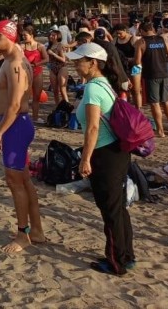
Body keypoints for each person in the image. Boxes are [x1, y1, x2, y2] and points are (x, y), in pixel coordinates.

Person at [67, 41, 136, 275]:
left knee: (110, 210)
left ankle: (116, 261)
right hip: (117, 151)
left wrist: (85, 159)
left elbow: (93, 128)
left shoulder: (93, 88)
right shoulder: (105, 84)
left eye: (79, 61)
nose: (76, 65)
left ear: (93, 63)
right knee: (118, 208)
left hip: (105, 154)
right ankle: (126, 255)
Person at [0, 21, 45, 254]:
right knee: (25, 179)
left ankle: (23, 234)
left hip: (15, 126)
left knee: (14, 181)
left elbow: (15, 105)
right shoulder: (13, 60)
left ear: (9, 36)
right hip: (16, 125)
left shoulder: (16, 64)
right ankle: (36, 230)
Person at [133, 20, 168, 137]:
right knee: (166, 101)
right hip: (163, 73)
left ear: (141, 30)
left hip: (150, 75)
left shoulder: (141, 42)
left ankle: (160, 130)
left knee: (155, 103)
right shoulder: (164, 40)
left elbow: (137, 62)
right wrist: (161, 59)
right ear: (152, 29)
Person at [20, 26, 48, 124]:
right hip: (25, 74)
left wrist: (36, 64)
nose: (23, 37)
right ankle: (24, 117)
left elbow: (46, 59)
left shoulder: (40, 46)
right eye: (22, 35)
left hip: (37, 72)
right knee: (24, 97)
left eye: (25, 35)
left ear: (31, 35)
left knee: (36, 96)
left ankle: (35, 118)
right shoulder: (22, 47)